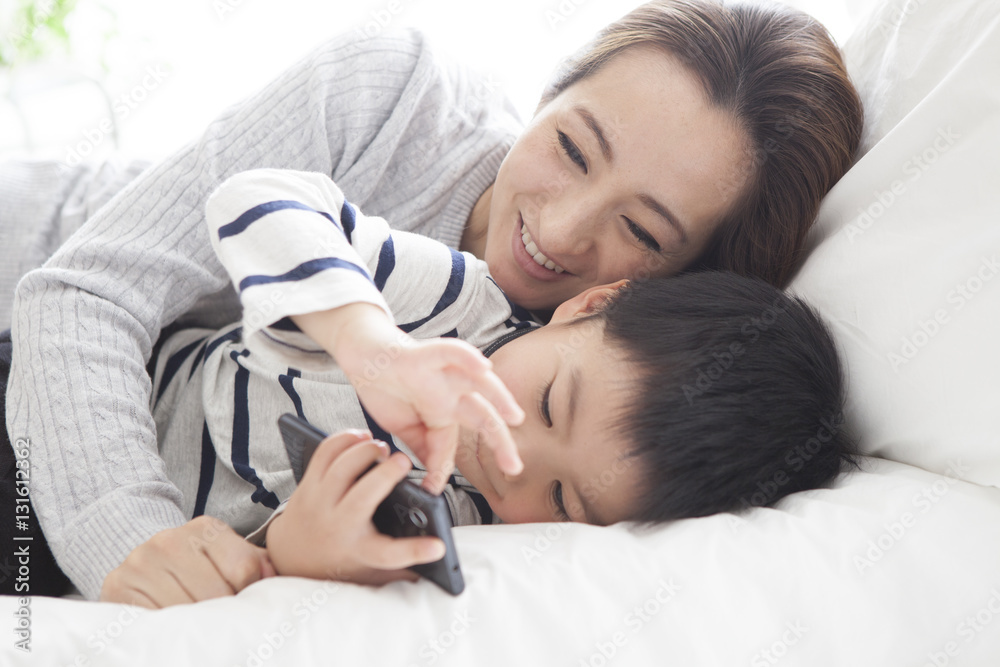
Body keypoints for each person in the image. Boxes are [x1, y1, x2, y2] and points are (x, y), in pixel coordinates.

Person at [2, 0, 863, 602]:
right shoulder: (397, 99)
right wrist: (132, 551)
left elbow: (277, 524)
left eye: (643, 229)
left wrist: (283, 558)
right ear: (549, 93)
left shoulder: (560, 434)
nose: (559, 233)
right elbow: (84, 292)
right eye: (570, 145)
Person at [104, 168, 855, 604]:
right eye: (550, 402)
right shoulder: (454, 307)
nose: (513, 457)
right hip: (96, 417)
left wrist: (298, 555)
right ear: (593, 304)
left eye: (565, 499)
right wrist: (375, 345)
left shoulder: (463, 526)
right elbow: (256, 197)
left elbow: (231, 576)